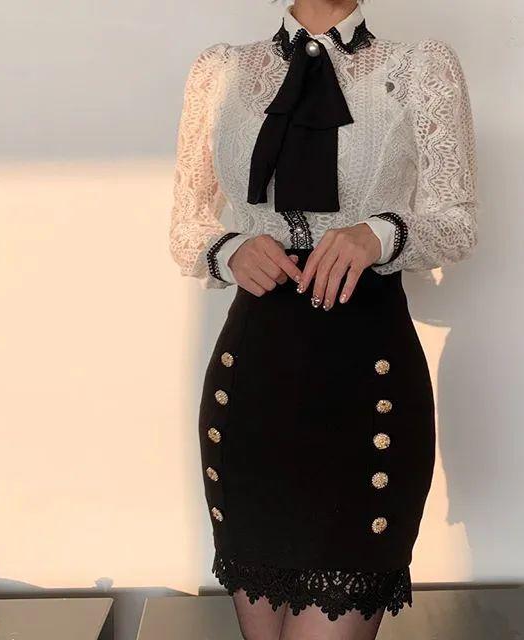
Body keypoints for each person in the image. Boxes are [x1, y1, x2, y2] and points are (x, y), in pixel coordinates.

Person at [168, 0, 479, 638]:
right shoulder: (220, 71)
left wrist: (379, 234)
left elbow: (458, 220)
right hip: (253, 379)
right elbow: (186, 225)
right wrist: (229, 248)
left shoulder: (419, 67)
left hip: (365, 374)